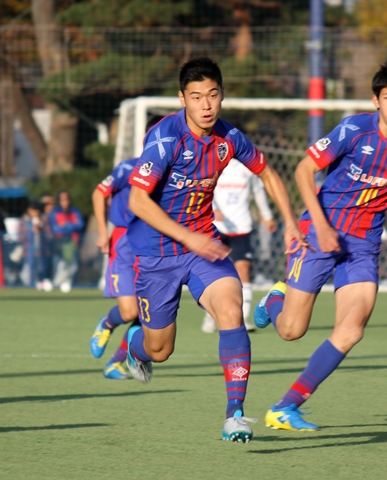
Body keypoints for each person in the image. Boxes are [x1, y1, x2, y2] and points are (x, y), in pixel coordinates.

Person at [125, 56, 305, 443]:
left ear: (222, 95)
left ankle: (234, 414)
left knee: (230, 307)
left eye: (212, 95)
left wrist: (289, 220)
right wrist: (188, 238)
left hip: (202, 246)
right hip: (156, 254)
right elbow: (138, 202)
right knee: (160, 349)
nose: (205, 105)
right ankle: (133, 345)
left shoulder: (230, 138)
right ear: (182, 99)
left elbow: (268, 173)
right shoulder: (165, 139)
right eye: (196, 97)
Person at [253, 59, 387, 431]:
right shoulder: (353, 129)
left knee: (352, 330)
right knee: (290, 331)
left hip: (364, 245)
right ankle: (275, 299)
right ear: (375, 101)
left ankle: (286, 406)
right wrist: (319, 225)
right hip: (320, 231)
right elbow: (304, 170)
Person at [201, 157, 277, 333]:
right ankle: (211, 315)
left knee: (243, 269)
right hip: (217, 227)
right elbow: (204, 191)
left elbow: (258, 192)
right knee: (214, 273)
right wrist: (212, 209)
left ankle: (242, 318)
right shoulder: (213, 165)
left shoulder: (248, 168)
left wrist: (267, 216)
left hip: (242, 227)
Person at [90, 157, 142, 379]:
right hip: (124, 242)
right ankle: (108, 323)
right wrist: (103, 232)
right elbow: (98, 193)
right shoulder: (129, 168)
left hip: (156, 244)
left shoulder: (178, 173)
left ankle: (115, 363)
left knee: (151, 314)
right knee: (130, 311)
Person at [49, 190, 84, 292]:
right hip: (60, 243)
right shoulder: (55, 212)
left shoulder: (75, 211)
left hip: (73, 242)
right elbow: (55, 228)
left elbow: (80, 225)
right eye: (63, 200)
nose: (65, 202)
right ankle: (56, 284)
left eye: (67, 199)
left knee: (73, 266)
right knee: (61, 265)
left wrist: (66, 225)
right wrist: (72, 225)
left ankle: (64, 284)